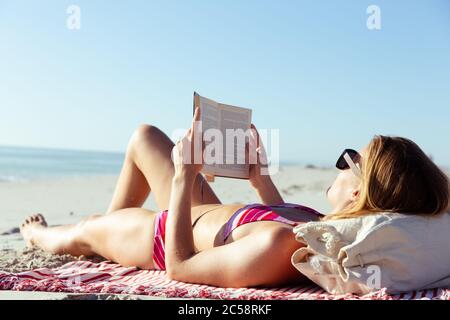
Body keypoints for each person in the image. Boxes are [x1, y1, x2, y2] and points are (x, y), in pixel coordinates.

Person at [20, 108, 450, 288]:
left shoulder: (284, 246)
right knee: (145, 137)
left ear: (359, 190)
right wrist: (261, 180)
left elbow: (180, 267)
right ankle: (104, 236)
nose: (341, 164)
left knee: (74, 233)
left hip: (161, 234)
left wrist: (184, 176)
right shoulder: (320, 229)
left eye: (349, 160)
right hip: (200, 212)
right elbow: (277, 219)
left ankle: (70, 236)